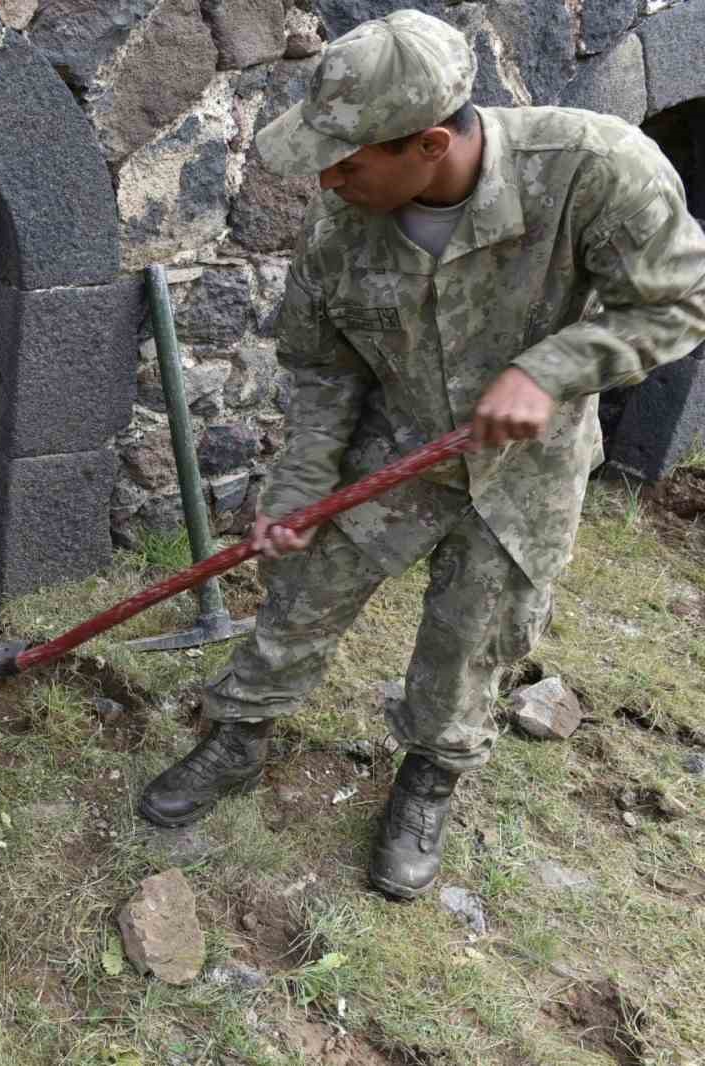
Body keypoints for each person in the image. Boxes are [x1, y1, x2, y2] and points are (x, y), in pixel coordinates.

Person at [136, 10, 705, 899]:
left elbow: (675, 304)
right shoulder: (337, 234)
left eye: (349, 160)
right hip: (395, 445)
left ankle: (429, 775)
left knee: (475, 634)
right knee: (302, 592)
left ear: (430, 143)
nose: (328, 179)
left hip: (526, 469)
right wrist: (296, 489)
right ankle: (239, 735)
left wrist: (551, 369)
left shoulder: (596, 170)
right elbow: (324, 377)